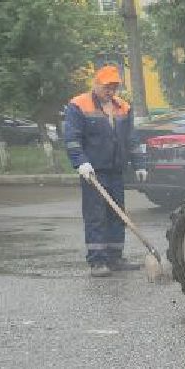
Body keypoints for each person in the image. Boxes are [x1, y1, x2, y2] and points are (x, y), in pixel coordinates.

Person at [62, 64, 145, 277]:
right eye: (107, 87)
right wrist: (81, 162)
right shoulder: (78, 105)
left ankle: (115, 258)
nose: (111, 92)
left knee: (117, 214)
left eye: (114, 87)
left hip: (116, 170)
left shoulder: (123, 107)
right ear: (96, 84)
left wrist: (140, 163)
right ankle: (97, 261)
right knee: (96, 216)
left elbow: (132, 139)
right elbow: (72, 139)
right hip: (93, 173)